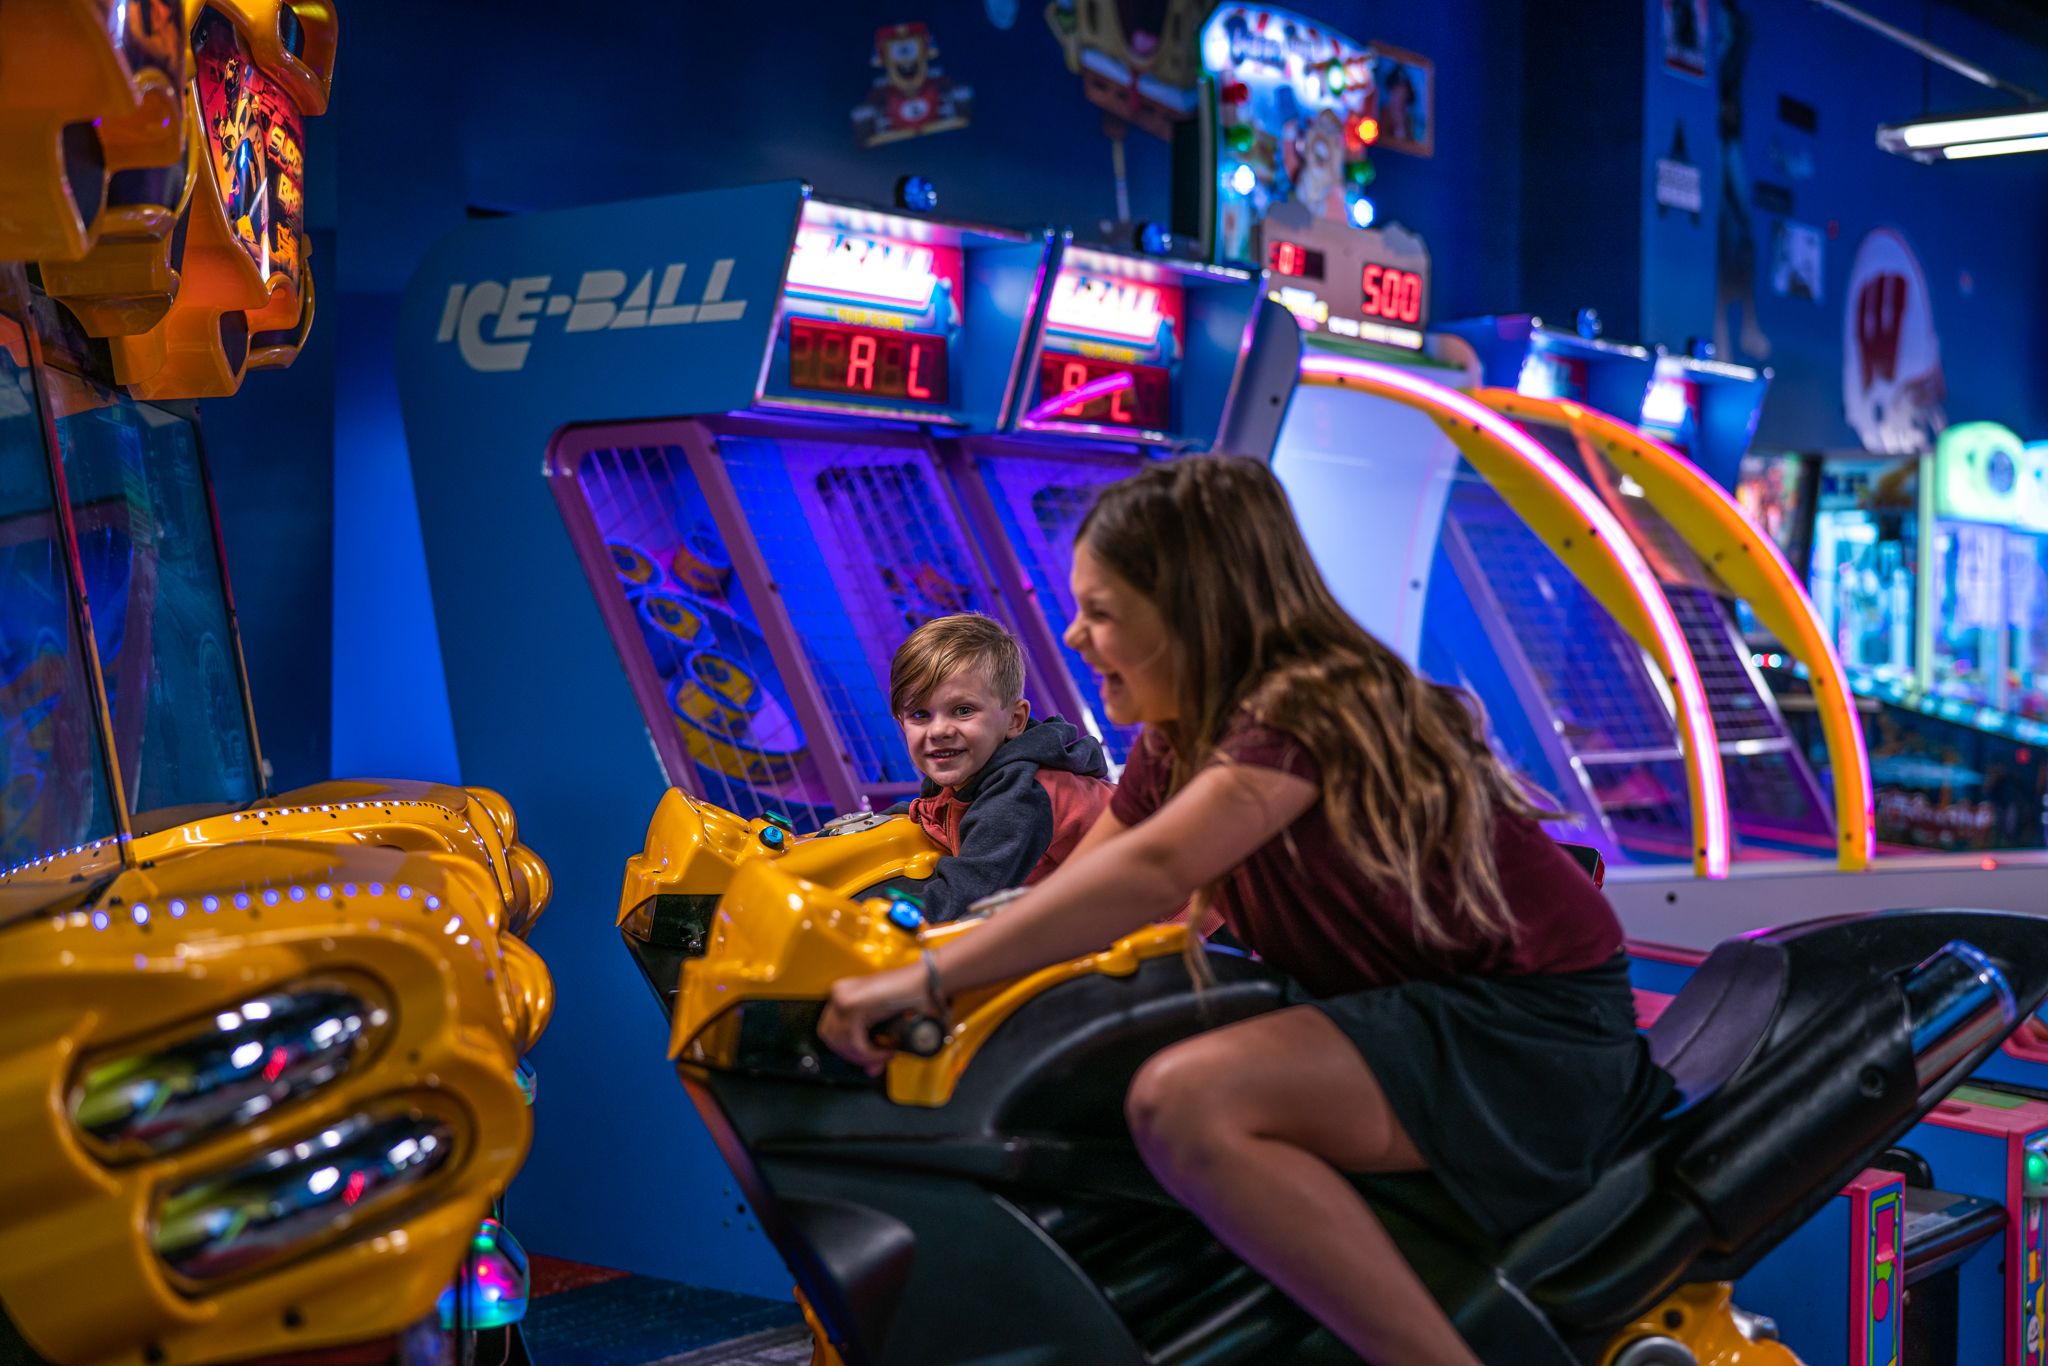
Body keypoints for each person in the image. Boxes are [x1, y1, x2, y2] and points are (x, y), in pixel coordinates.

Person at [821, 457, 1672, 1364]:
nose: (1073, 636)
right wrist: (921, 965)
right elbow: (1080, 893)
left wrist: (925, 976)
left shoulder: (1315, 701)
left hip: (1524, 1033)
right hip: (1409, 1013)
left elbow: (1151, 871)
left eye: (1102, 612)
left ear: (1191, 612)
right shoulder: (1178, 740)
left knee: (1188, 1103)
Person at [888, 613, 1113, 923]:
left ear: (1014, 720)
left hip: (1175, 927)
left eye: (963, 710)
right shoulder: (970, 777)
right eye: (920, 715)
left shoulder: (1022, 794)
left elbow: (967, 894)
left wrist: (872, 919)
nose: (939, 730)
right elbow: (933, 810)